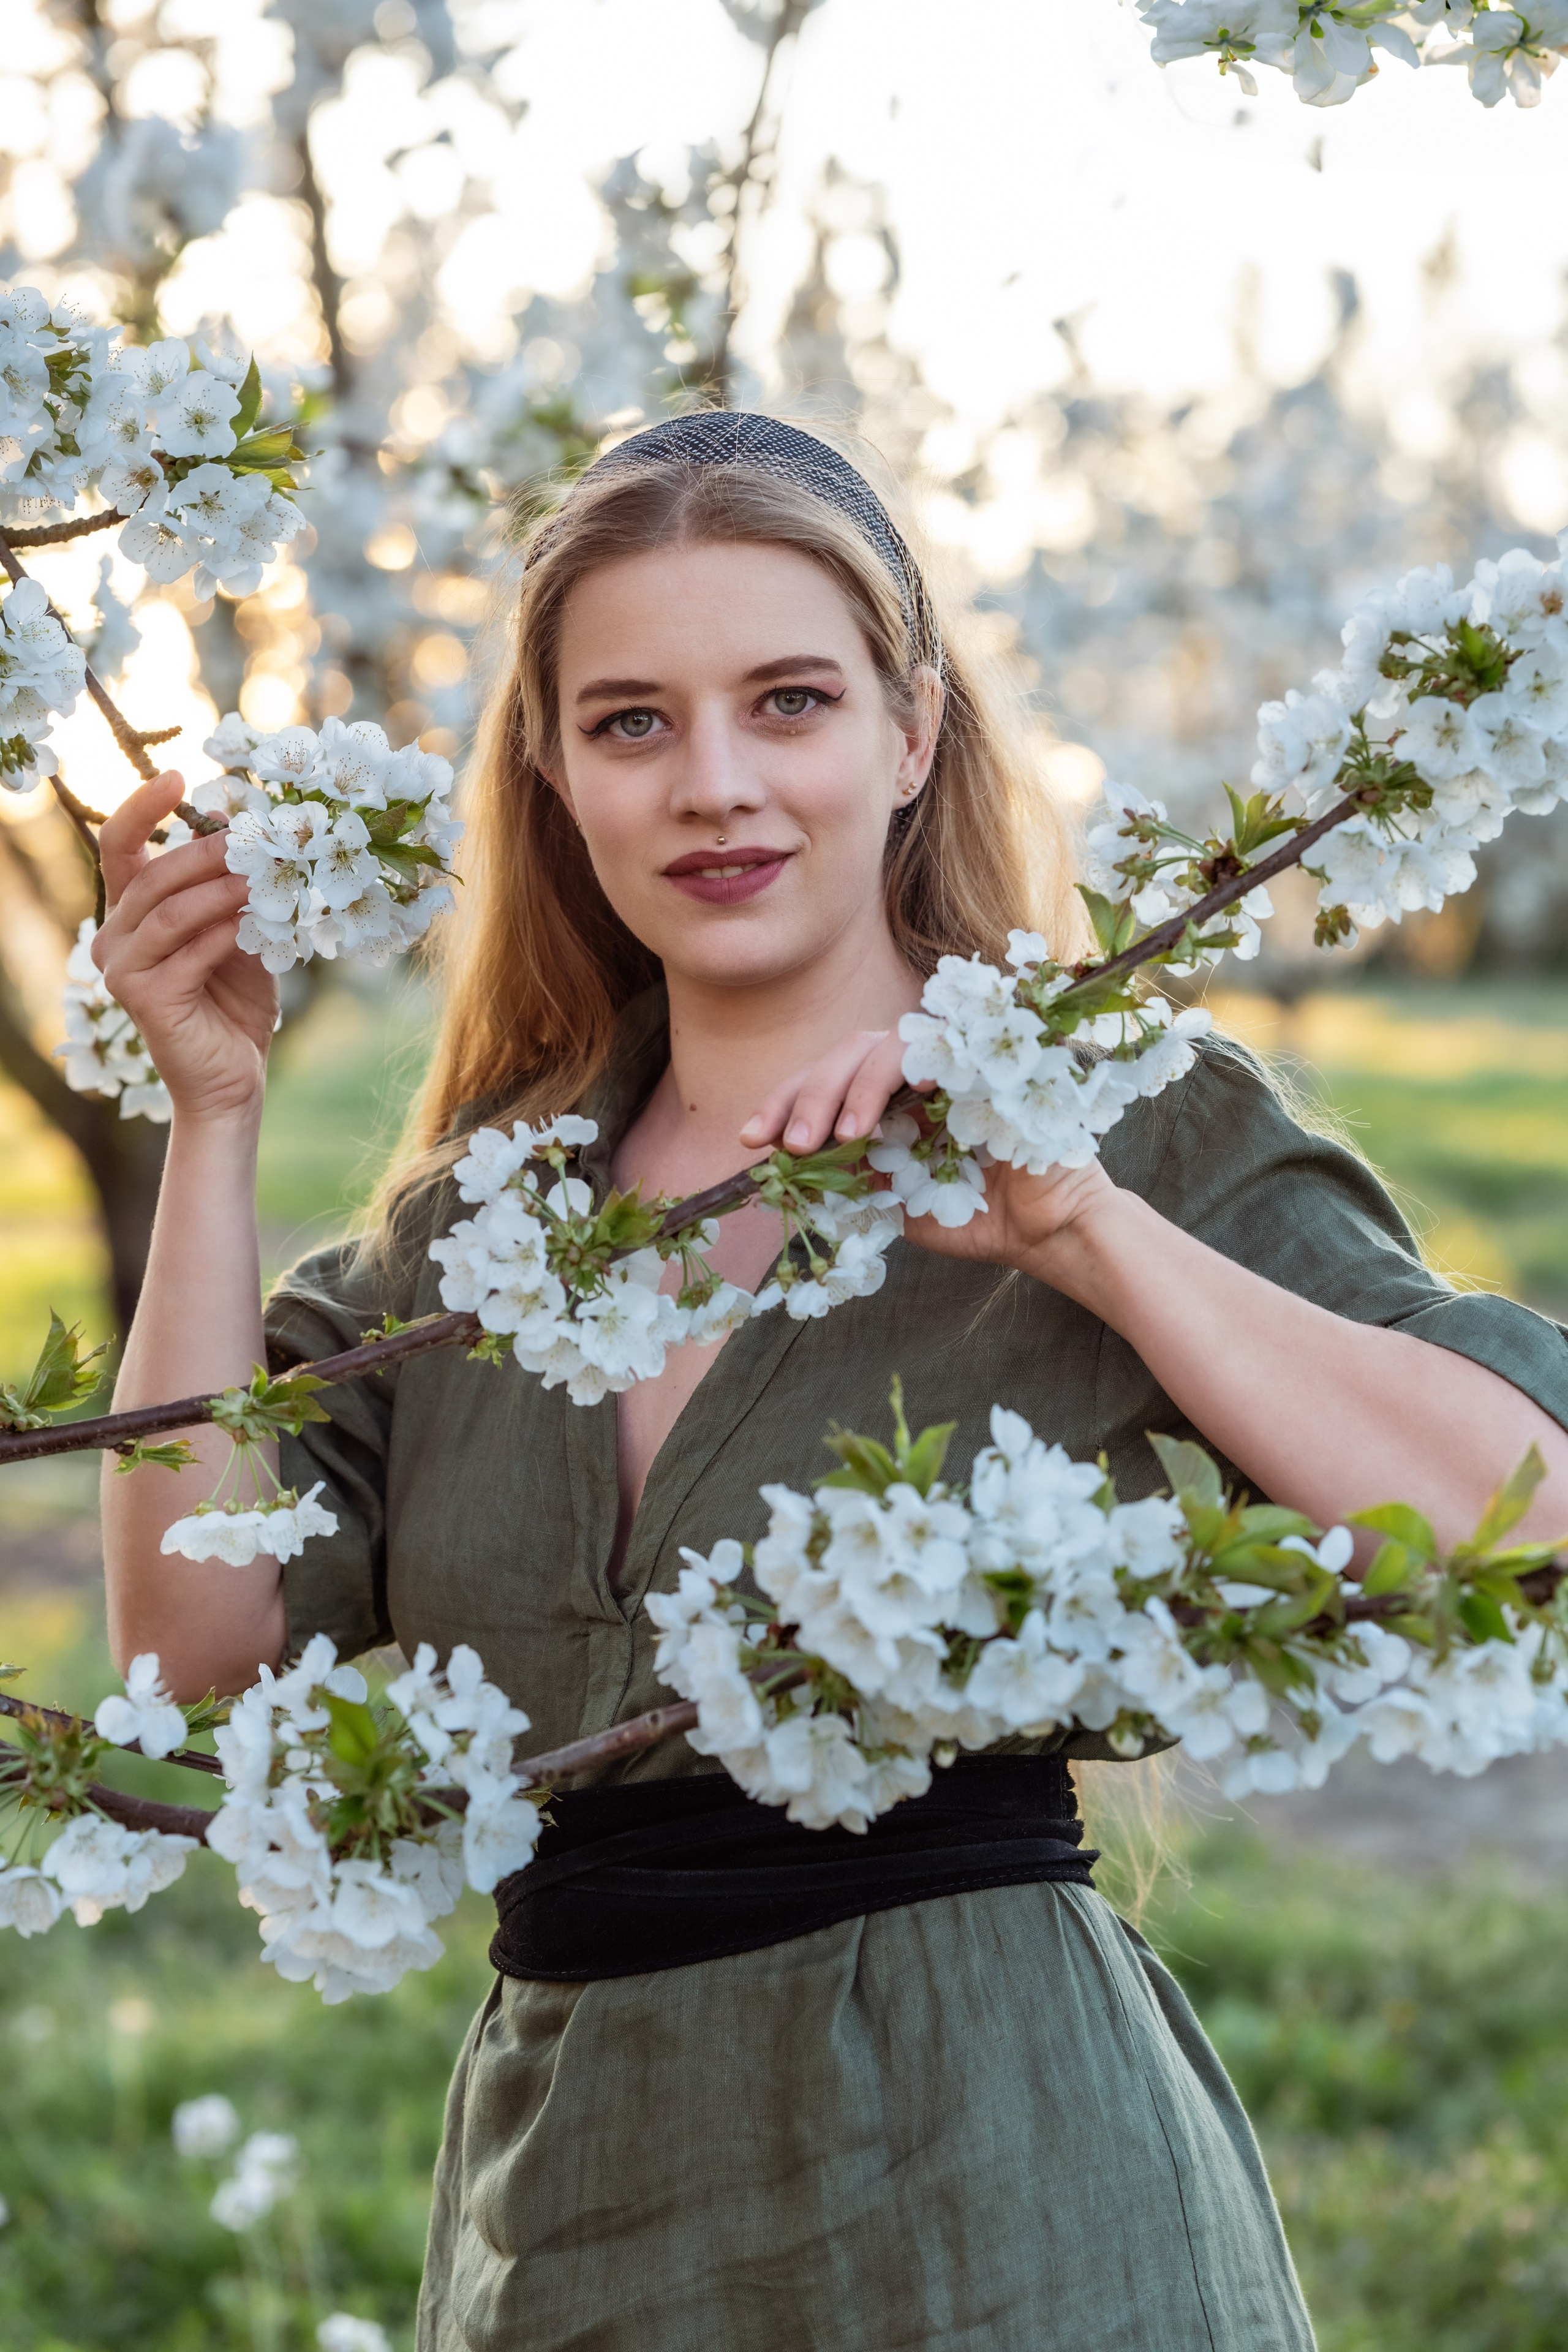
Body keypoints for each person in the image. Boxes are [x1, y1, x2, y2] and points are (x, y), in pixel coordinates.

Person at [94, 413, 1568, 2352]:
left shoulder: (1109, 1114)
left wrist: (1087, 1233)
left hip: (1017, 2205)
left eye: (789, 700)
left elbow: (1524, 1516)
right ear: (553, 772)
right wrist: (212, 1114)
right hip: (574, 2218)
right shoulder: (482, 1241)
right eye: (632, 721)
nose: (716, 784)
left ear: (913, 731)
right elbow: (192, 1645)